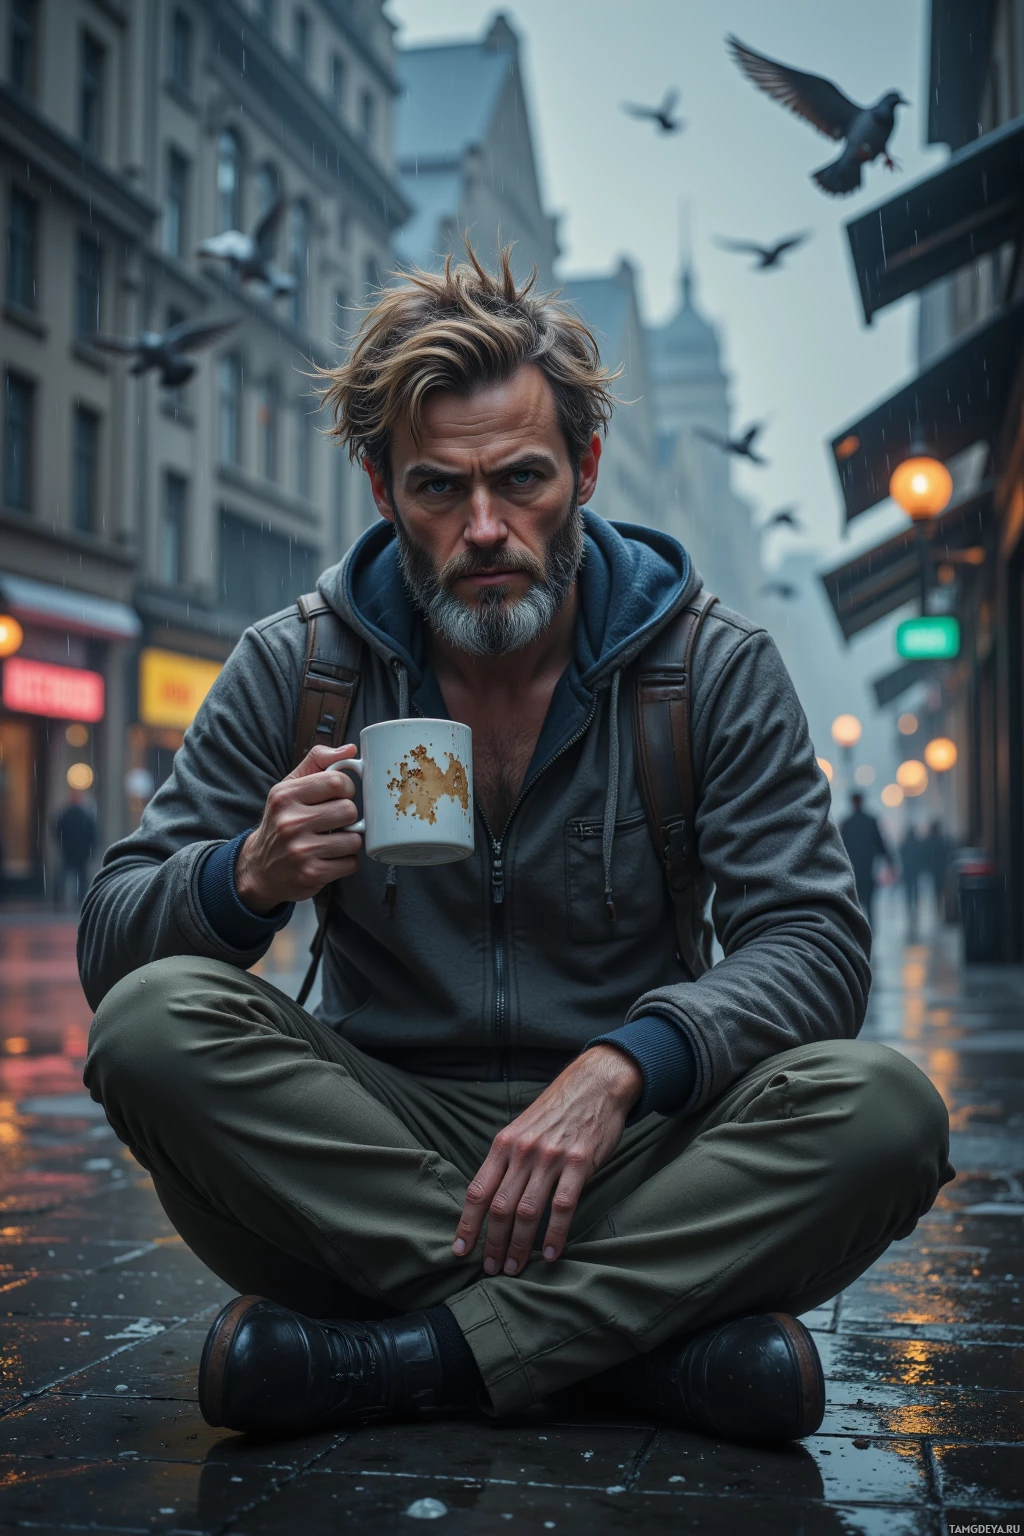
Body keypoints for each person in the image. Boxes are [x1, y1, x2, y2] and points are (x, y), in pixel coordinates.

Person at [80, 248, 951, 1448]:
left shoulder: (709, 667)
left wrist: (626, 1065)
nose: (485, 528)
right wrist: (244, 878)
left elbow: (813, 949)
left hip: (639, 1151)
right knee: (149, 1026)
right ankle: (634, 1352)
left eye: (523, 480)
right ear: (383, 491)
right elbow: (111, 943)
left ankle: (407, 1358)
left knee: (888, 1109)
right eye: (439, 489)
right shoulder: (301, 665)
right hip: (369, 1144)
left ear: (585, 470)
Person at [839, 793, 894, 929]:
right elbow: (880, 844)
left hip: (853, 872)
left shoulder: (847, 823)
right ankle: (870, 931)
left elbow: (841, 848)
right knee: (869, 904)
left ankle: (858, 932)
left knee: (855, 904)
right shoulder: (870, 821)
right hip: (867, 871)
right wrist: (890, 862)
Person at [52, 789, 97, 910]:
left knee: (65, 876)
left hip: (69, 851)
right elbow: (93, 834)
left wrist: (63, 845)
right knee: (81, 877)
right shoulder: (85, 815)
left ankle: (59, 901)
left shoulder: (65, 814)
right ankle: (81, 901)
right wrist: (90, 849)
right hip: (80, 852)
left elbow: (57, 832)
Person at [900, 825, 926, 935]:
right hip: (914, 871)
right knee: (915, 890)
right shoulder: (917, 844)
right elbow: (922, 856)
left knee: (909, 891)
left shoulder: (904, 844)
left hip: (908, 872)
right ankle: (914, 910)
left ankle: (910, 909)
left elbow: (902, 855)